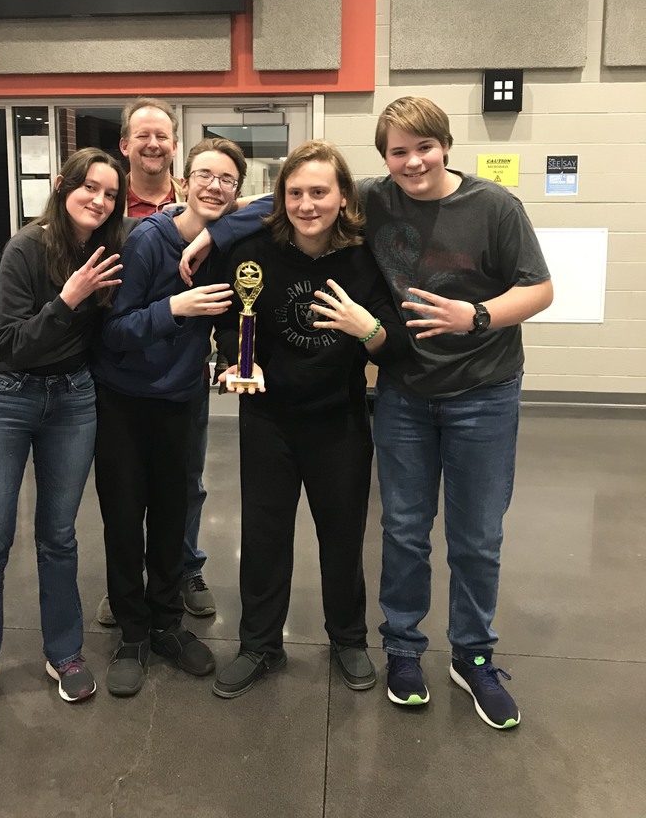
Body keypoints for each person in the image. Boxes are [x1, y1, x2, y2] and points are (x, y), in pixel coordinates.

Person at [361, 96, 553, 730]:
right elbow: (291, 202)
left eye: (424, 147)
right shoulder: (374, 198)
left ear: (445, 145)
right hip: (403, 396)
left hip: (484, 392)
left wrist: (474, 315)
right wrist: (198, 225)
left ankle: (472, 655)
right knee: (405, 531)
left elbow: (539, 288)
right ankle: (404, 649)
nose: (413, 162)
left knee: (477, 536)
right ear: (384, 156)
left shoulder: (495, 206)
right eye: (398, 151)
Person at [211, 142, 408, 699]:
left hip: (338, 418)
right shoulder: (254, 250)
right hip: (268, 418)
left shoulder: (365, 258)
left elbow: (390, 345)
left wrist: (364, 327)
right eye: (294, 193)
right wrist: (234, 359)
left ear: (343, 197)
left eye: (318, 192)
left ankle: (348, 638)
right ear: (281, 199)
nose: (306, 204)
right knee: (265, 534)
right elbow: (229, 315)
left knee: (343, 535)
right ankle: (259, 644)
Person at [0, 148, 126, 728]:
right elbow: (15, 344)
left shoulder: (108, 248)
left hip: (72, 400)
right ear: (63, 185)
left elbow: (181, 219)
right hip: (5, 396)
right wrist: (70, 299)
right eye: (89, 187)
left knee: (59, 536)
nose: (99, 199)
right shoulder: (26, 247)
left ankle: (64, 655)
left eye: (110, 193)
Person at [92, 137, 249, 697]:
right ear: (182, 183)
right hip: (125, 402)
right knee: (124, 515)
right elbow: (111, 331)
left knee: (171, 515)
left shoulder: (226, 245)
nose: (214, 185)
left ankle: (166, 624)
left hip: (180, 402)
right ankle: (132, 633)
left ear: (236, 193)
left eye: (227, 180)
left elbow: (278, 203)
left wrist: (217, 231)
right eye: (204, 175)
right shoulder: (145, 242)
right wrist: (173, 309)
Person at [94, 96, 216, 626]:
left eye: (162, 135)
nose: (152, 144)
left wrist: (211, 230)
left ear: (175, 147)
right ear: (125, 145)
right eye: (142, 135)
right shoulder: (104, 210)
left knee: (185, 480)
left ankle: (183, 566)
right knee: (125, 489)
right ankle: (128, 585)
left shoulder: (201, 205)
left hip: (181, 377)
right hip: (117, 373)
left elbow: (265, 204)